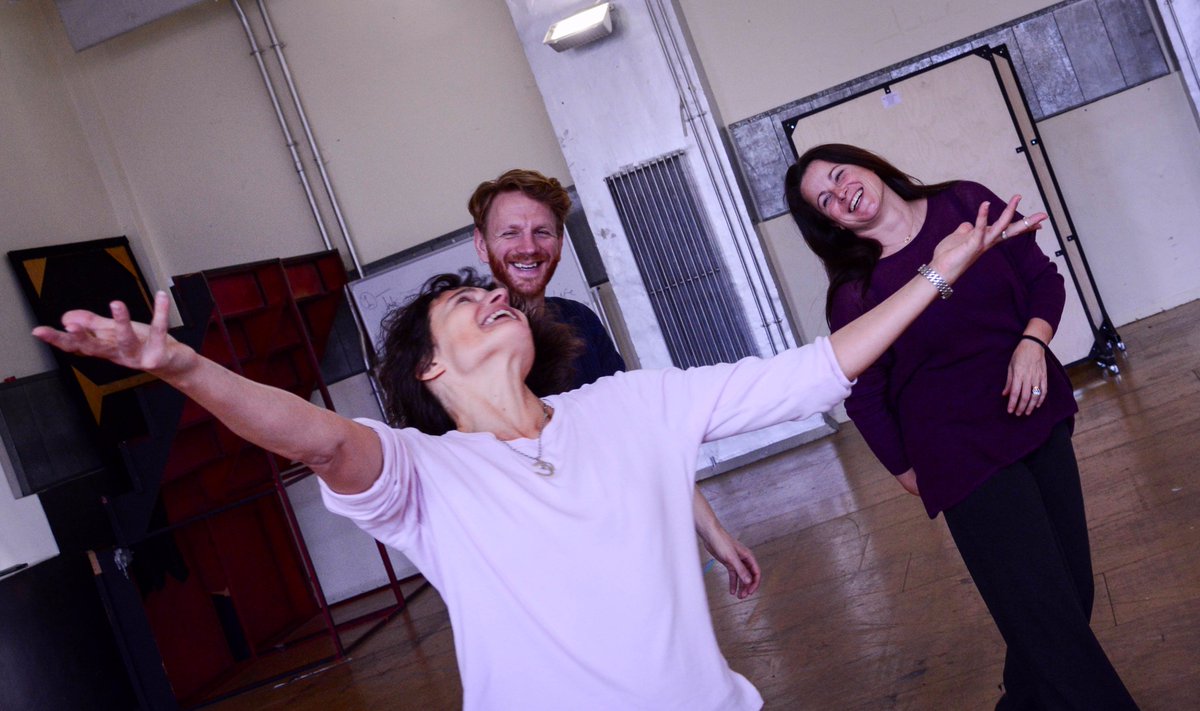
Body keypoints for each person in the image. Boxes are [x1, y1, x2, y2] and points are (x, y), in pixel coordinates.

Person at [32, 195, 1016, 709]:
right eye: (467, 305)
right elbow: (311, 433)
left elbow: (808, 372)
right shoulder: (421, 478)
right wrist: (181, 368)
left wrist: (933, 273)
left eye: (495, 294)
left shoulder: (630, 405)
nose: (495, 297)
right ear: (427, 371)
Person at [784, 143, 1137, 710]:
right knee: (1049, 621)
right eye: (825, 200)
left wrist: (1032, 342)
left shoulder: (965, 204)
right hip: (959, 457)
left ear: (866, 164)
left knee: (1067, 597)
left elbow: (1043, 279)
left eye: (839, 174)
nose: (840, 193)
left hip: (1034, 419)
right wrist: (905, 469)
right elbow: (864, 395)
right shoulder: (856, 292)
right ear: (830, 222)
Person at [468, 168, 760, 598]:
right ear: (481, 244)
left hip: (627, 548)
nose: (528, 247)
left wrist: (711, 530)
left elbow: (639, 430)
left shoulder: (580, 322)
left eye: (542, 232)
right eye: (509, 233)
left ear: (560, 244)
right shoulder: (460, 346)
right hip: (538, 573)